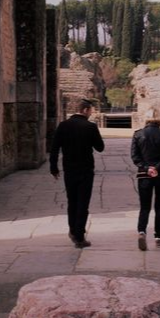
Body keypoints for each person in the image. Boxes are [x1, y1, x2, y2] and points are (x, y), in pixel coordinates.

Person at [50, 98, 105, 248]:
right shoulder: (90, 126)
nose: (91, 113)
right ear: (85, 110)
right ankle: (79, 236)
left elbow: (54, 148)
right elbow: (100, 147)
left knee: (72, 200)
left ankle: (73, 230)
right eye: (90, 111)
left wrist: (53, 168)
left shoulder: (63, 125)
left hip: (69, 169)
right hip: (86, 169)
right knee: (83, 202)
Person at [130, 108, 160, 251]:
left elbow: (135, 156)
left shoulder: (138, 134)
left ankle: (142, 231)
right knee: (159, 206)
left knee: (144, 206)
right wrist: (157, 167)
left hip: (144, 175)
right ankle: (158, 237)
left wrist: (147, 168)